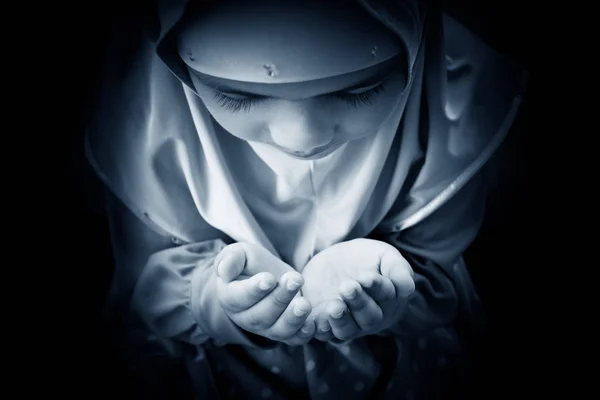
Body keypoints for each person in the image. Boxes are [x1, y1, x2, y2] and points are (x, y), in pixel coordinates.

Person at [86, 0, 527, 398]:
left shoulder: (445, 105)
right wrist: (217, 297)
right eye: (237, 96)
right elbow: (144, 282)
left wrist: (392, 287)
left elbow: (440, 273)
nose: (302, 137)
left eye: (359, 90)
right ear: (179, 71)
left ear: (415, 55)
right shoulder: (150, 124)